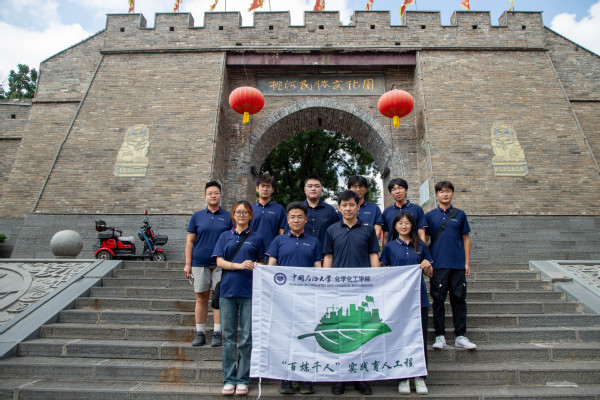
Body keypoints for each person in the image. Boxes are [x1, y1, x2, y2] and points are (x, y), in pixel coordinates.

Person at [323, 190, 380, 396]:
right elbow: (328, 257)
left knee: (361, 332)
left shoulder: (368, 229)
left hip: (362, 289)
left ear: (358, 206)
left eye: (351, 205)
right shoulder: (331, 230)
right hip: (338, 289)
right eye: (344, 205)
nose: (348, 208)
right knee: (339, 332)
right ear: (339, 207)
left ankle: (359, 377)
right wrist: (327, 283)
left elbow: (373, 255)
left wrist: (376, 282)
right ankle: (340, 377)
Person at [267, 201, 323, 395]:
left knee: (307, 336)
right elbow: (271, 267)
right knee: (286, 337)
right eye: (292, 217)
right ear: (287, 220)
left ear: (306, 220)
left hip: (307, 298)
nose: (296, 220)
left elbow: (318, 270)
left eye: (300, 217)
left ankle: (306, 379)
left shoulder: (314, 242)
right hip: (284, 299)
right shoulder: (279, 241)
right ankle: (287, 377)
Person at [213, 200, 266, 396]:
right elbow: (219, 261)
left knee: (246, 337)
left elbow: (263, 263)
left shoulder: (257, 238)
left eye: (245, 212)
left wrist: (255, 265)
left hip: (249, 292)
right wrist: (239, 265)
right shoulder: (224, 236)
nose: (241, 215)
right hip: (228, 292)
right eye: (238, 212)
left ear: (251, 215)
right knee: (228, 337)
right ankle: (229, 379)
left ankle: (243, 379)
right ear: (233, 215)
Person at [380, 211, 433, 395]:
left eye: (407, 223)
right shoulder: (389, 247)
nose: (403, 226)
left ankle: (419, 376)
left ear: (412, 225)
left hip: (418, 299)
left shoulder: (421, 245)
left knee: (419, 338)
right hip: (397, 301)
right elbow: (384, 272)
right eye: (400, 223)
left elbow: (429, 273)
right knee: (399, 337)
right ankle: (402, 377)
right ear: (395, 226)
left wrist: (427, 267)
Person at [425, 181, 476, 351]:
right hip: (438, 265)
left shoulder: (460, 215)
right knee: (438, 301)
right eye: (441, 191)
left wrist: (466, 262)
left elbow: (466, 239)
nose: (445, 194)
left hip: (457, 265)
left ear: (452, 193)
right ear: (436, 195)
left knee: (459, 300)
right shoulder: (430, 216)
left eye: (448, 191)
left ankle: (460, 335)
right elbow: (425, 241)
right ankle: (439, 336)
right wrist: (427, 263)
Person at [184, 180, 232, 347]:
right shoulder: (197, 216)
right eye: (210, 193)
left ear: (220, 196)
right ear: (205, 196)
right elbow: (190, 241)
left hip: (220, 263)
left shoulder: (228, 217)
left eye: (216, 193)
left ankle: (217, 332)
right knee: (201, 297)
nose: (213, 196)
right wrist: (188, 263)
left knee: (218, 298)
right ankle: (200, 333)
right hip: (199, 262)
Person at [382, 178, 427, 246]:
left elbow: (421, 233)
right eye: (394, 189)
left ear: (406, 190)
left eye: (400, 188)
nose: (397, 191)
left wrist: (423, 250)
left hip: (413, 248)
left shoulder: (417, 209)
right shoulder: (387, 212)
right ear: (391, 193)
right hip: (393, 249)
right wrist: (385, 251)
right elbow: (386, 236)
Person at [302, 175, 340, 247]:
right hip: (302, 252)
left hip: (324, 252)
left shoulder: (330, 210)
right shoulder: (297, 209)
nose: (313, 189)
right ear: (304, 189)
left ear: (321, 189)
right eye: (310, 186)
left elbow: (337, 233)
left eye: (317, 186)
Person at [250, 174, 286, 249]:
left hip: (272, 250)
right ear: (257, 188)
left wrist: (281, 248)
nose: (265, 189)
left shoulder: (279, 209)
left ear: (272, 189)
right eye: (262, 186)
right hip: (252, 249)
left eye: (268, 186)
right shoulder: (250, 209)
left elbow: (282, 232)